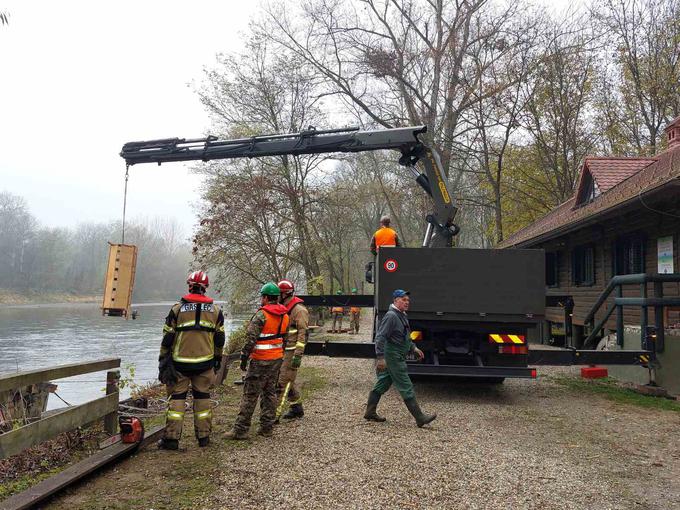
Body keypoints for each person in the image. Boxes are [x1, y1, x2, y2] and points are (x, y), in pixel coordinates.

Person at [158, 271, 225, 450]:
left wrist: (162, 360)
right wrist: (217, 359)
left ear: (189, 285)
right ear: (205, 288)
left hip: (179, 364)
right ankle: (204, 438)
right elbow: (220, 340)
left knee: (177, 398)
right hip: (205, 364)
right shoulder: (216, 311)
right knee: (202, 397)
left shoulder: (177, 309)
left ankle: (171, 439)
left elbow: (167, 339)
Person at [225, 282, 289, 440]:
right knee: (270, 393)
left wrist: (243, 357)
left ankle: (240, 430)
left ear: (266, 298)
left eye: (262, 296)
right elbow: (285, 339)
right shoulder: (285, 315)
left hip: (260, 360)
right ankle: (266, 428)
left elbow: (250, 339)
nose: (261, 299)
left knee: (250, 394)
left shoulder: (262, 315)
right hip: (276, 359)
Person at [364, 289, 436, 427]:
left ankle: (370, 411)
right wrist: (380, 358)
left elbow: (405, 336)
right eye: (403, 300)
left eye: (408, 300)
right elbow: (380, 337)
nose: (407, 302)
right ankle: (420, 418)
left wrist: (413, 348)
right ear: (395, 300)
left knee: (383, 382)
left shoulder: (401, 315)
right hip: (393, 356)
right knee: (405, 384)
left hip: (397, 354)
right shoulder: (391, 316)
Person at [275, 279, 310, 420]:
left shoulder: (299, 310)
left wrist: (298, 354)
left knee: (282, 382)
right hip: (282, 349)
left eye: (278, 294)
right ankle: (296, 408)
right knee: (289, 379)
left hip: (292, 350)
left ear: (284, 294)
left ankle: (273, 415)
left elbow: (303, 334)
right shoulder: (283, 307)